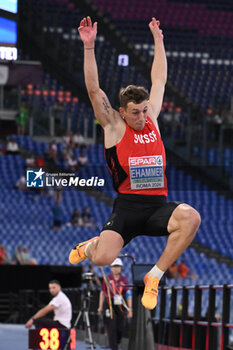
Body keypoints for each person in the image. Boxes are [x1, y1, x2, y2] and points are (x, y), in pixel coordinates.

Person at [69, 16, 201, 311]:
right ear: (122, 112)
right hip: (128, 208)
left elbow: (159, 80)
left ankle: (154, 277)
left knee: (192, 218)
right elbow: (93, 90)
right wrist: (89, 47)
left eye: (144, 110)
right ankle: (90, 246)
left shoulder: (152, 119)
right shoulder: (114, 126)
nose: (143, 117)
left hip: (157, 206)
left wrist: (159, 40)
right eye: (136, 113)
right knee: (102, 259)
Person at [98, 258, 132, 350]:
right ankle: (114, 347)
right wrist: (100, 306)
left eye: (117, 267)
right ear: (111, 268)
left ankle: (117, 341)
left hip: (120, 304)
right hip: (109, 304)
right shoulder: (107, 279)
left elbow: (128, 294)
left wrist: (130, 308)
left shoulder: (124, 280)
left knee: (120, 327)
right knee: (111, 327)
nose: (116, 269)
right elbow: (102, 292)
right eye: (114, 267)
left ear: (121, 268)